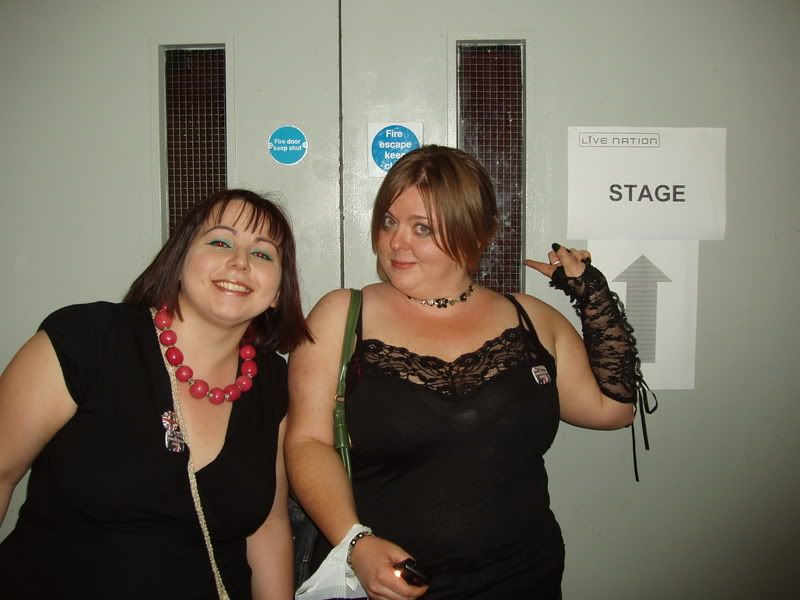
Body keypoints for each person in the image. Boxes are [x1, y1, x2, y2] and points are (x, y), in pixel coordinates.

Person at [285, 145, 642, 599]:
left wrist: (590, 292)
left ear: (476, 234)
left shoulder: (530, 318)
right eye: (389, 222)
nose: (396, 242)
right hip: (387, 583)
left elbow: (613, 409)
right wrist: (355, 543)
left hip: (523, 579)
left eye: (422, 228)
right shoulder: (342, 315)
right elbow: (307, 443)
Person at [0, 189, 310, 599]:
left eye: (262, 253)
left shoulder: (271, 380)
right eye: (220, 242)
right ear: (179, 260)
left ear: (278, 293)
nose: (240, 262)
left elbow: (268, 526)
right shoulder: (88, 338)